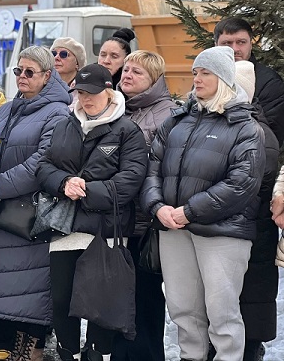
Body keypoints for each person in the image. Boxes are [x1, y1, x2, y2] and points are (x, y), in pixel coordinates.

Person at [140, 46, 266, 361]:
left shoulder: (245, 127)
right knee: (182, 308)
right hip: (173, 228)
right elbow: (152, 169)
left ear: (224, 78)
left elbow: (242, 184)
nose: (196, 78)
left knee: (222, 312)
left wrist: (189, 211)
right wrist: (158, 207)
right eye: (195, 72)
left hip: (223, 232)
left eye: (205, 72)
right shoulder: (176, 121)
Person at [36, 63, 148, 361]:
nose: (85, 99)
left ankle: (98, 355)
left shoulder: (127, 131)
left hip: (105, 229)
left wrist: (85, 190)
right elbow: (44, 167)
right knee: (61, 300)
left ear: (109, 92)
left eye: (92, 93)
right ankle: (68, 354)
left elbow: (131, 180)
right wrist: (64, 183)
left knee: (101, 304)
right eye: (81, 92)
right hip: (65, 225)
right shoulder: (65, 125)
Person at [0, 46, 70, 361]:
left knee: (23, 289)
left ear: (47, 76)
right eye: (18, 71)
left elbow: (43, 160)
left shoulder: (57, 112)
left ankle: (23, 352)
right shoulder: (7, 109)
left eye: (29, 72)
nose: (22, 77)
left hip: (25, 216)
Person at [111, 51, 178, 361]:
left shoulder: (167, 114)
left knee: (145, 301)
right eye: (126, 70)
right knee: (117, 301)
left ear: (154, 79)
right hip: (116, 220)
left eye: (136, 72)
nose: (127, 75)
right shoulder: (117, 107)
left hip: (145, 223)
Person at [233, 61, 279, 361]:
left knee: (252, 298)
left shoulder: (260, 133)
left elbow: (250, 186)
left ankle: (251, 349)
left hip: (253, 229)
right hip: (238, 228)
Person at [214, 17, 284, 146]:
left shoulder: (269, 82)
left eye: (241, 42)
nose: (234, 49)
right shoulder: (205, 77)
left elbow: (270, 139)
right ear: (216, 46)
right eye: (227, 43)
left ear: (251, 45)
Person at [50, 37, 86, 109]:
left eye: (63, 54)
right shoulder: (42, 84)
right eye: (53, 54)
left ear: (77, 63)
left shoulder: (86, 87)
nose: (56, 57)